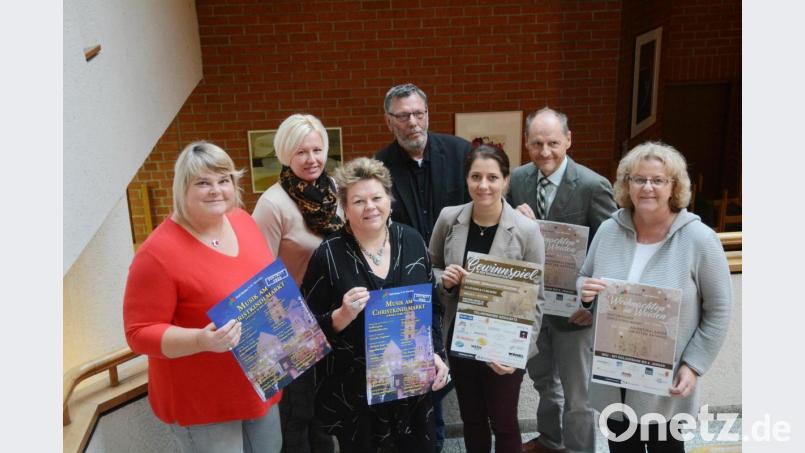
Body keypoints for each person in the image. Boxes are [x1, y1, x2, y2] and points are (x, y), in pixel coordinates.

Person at [123, 141, 282, 453]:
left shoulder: (242, 221)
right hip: (203, 400)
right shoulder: (157, 254)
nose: (216, 190)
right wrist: (200, 340)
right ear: (183, 188)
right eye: (203, 183)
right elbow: (138, 333)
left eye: (224, 181)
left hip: (258, 382)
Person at [578, 142, 732, 452]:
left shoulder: (699, 239)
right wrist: (584, 293)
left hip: (665, 383)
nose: (647, 187)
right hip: (613, 377)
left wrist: (693, 365)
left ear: (674, 186)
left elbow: (719, 310)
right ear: (627, 184)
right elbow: (585, 276)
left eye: (658, 180)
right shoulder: (609, 230)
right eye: (639, 179)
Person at [300, 157, 450, 453]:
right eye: (358, 201)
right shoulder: (328, 254)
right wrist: (341, 316)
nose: (370, 207)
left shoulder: (412, 241)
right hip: (356, 397)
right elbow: (304, 330)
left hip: (411, 388)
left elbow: (432, 307)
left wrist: (436, 352)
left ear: (389, 200)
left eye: (376, 197)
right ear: (344, 208)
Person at [510, 107, 617, 453]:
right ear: (526, 142)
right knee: (543, 381)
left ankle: (580, 450)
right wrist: (512, 216)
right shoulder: (516, 181)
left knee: (578, 395)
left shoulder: (592, 185)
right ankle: (551, 440)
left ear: (568, 140)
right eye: (537, 143)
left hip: (576, 312)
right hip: (534, 307)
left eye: (553, 143)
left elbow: (613, 250)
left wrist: (594, 304)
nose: (545, 152)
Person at [429, 144, 545, 453]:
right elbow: (431, 268)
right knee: (473, 419)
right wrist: (445, 279)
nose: (483, 185)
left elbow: (539, 300)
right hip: (461, 339)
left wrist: (518, 353)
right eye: (475, 176)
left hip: (505, 345)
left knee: (505, 421)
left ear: (506, 181)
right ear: (466, 179)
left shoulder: (526, 230)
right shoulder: (448, 219)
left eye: (492, 177)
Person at [375, 82, 471, 450]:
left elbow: (488, 196)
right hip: (407, 288)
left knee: (456, 365)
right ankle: (433, 439)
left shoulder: (461, 153)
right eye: (403, 116)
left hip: (459, 282)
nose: (412, 122)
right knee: (420, 377)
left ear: (428, 114)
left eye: (419, 113)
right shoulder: (379, 167)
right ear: (389, 122)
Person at [252, 114, 339, 453]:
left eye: (317, 150)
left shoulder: (332, 190)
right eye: (302, 151)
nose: (312, 159)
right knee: (296, 416)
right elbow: (261, 277)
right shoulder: (273, 204)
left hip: (333, 316)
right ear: (286, 154)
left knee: (325, 414)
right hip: (291, 325)